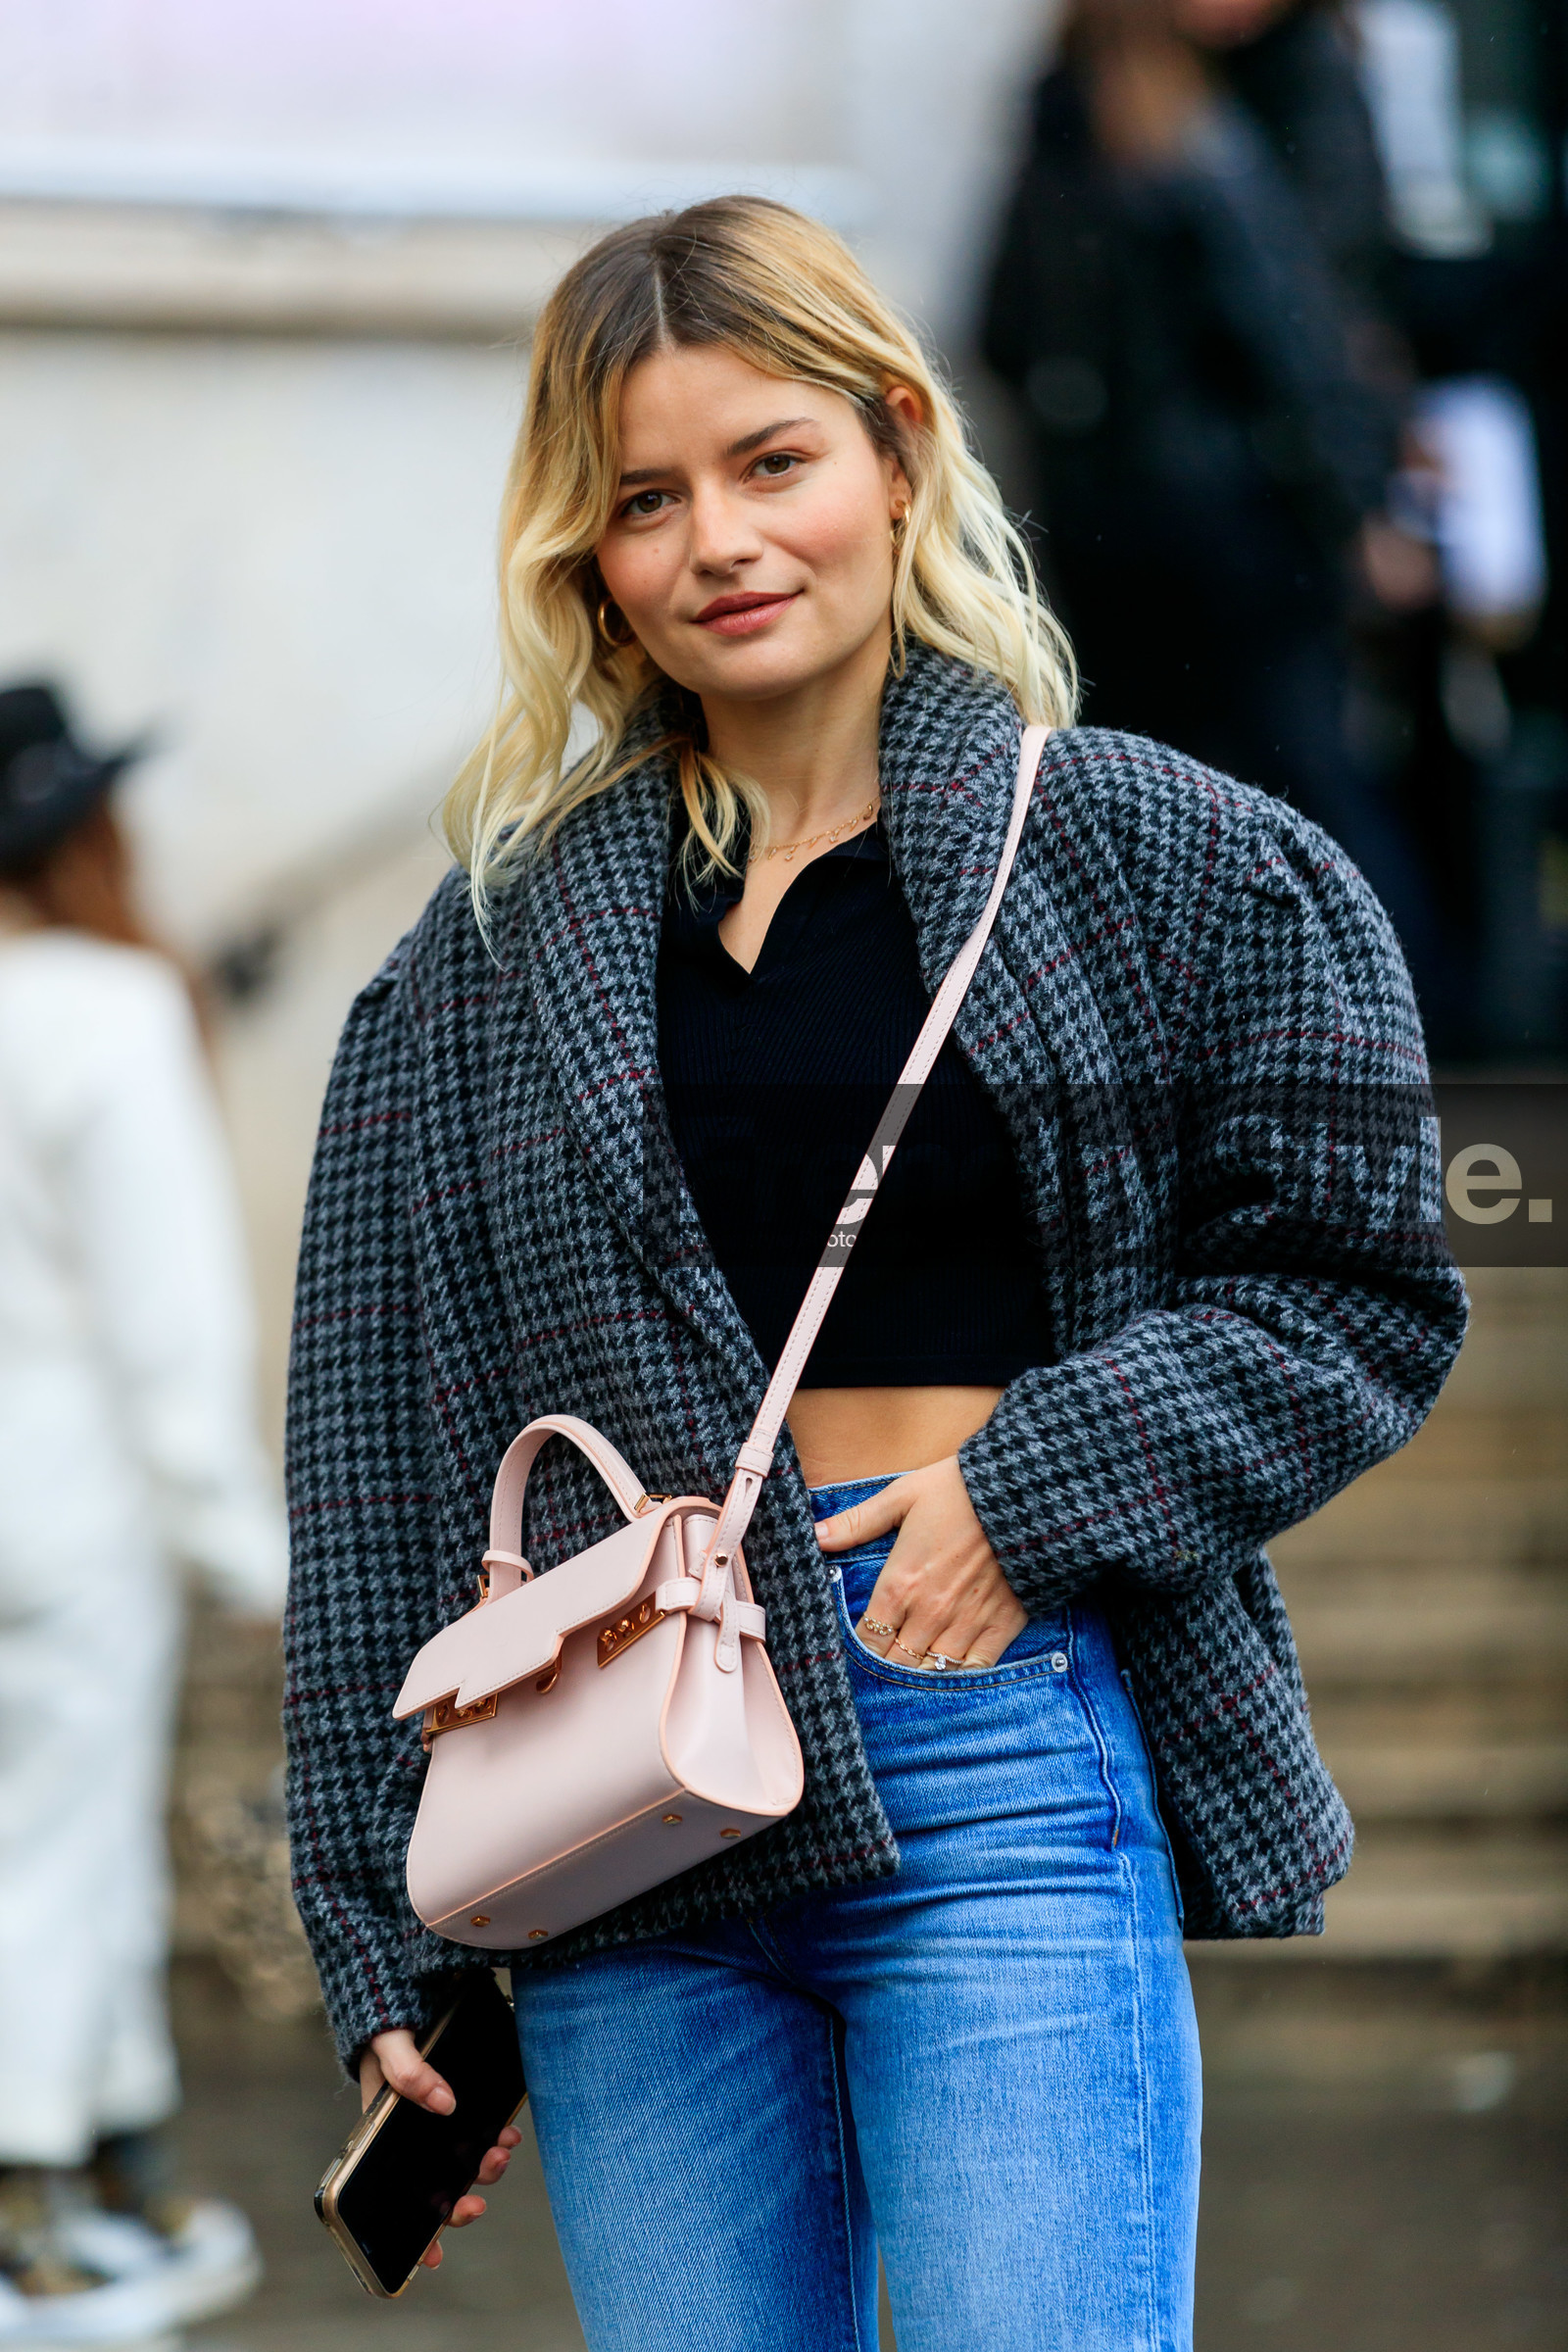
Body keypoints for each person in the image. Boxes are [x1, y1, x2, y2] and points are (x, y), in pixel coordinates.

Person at [283, 198, 1466, 2351]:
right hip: (617, 1807)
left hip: (981, 1729)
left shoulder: (1156, 858)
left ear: (897, 452)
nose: (719, 542)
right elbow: (374, 1449)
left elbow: (1355, 1279)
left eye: (773, 462)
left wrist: (1031, 1491)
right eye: (646, 498)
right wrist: (383, 1916)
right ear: (586, 557)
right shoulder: (479, 966)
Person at [980, 0, 1457, 1027]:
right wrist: (1354, 507)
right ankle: (1384, 1020)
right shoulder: (1171, 125)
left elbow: (1008, 326)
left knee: (1212, 790)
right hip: (1210, 523)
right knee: (1271, 784)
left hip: (1150, 521)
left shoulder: (1237, 102)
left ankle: (1357, 1026)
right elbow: (1288, 336)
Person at [0, 684, 286, 2345]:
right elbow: (172, 1324)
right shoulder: (111, 1010)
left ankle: (116, 2160)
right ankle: (29, 2190)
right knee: (63, 1841)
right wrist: (242, 1543)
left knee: (63, 1837)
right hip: (71, 1495)